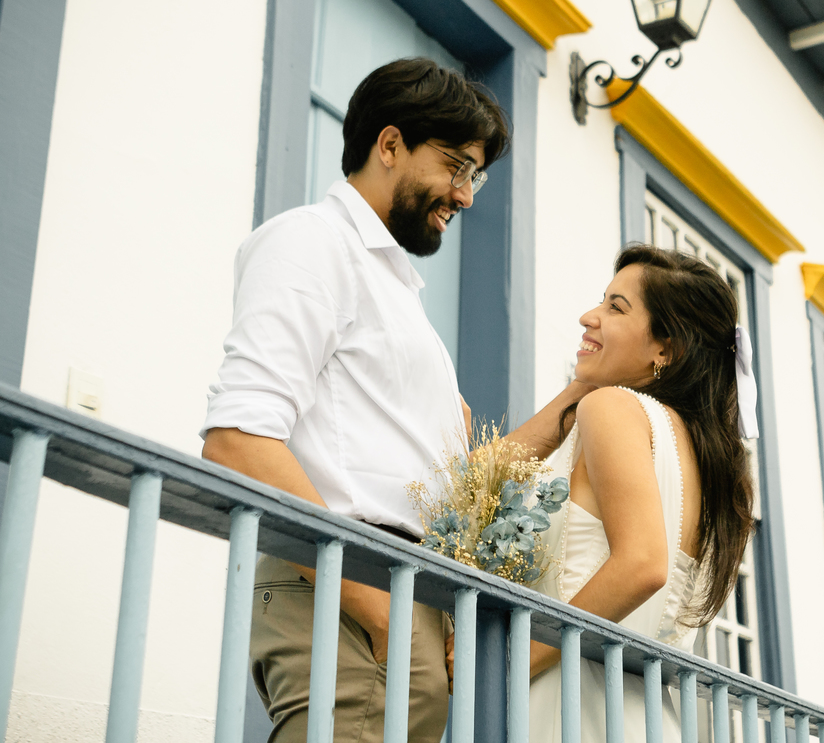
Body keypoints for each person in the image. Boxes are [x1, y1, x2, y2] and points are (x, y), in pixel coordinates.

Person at [200, 57, 590, 743]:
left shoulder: (394, 289)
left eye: (476, 174)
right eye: (456, 167)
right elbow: (237, 439)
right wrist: (373, 604)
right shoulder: (312, 243)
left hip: (401, 598)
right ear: (388, 146)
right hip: (354, 588)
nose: (466, 195)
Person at [450, 244, 758, 742]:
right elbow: (477, 487)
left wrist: (515, 658)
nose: (588, 317)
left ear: (666, 349)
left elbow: (642, 564)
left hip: (564, 706)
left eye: (616, 308)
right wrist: (583, 384)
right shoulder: (708, 460)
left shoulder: (614, 411)